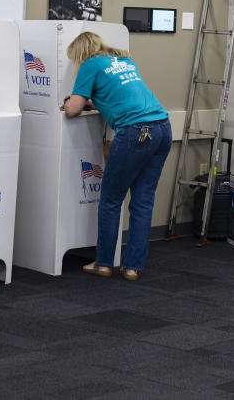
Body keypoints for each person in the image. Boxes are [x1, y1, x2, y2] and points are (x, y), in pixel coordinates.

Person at [63, 32, 172, 281]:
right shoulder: (123, 60)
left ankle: (103, 264)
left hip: (135, 132)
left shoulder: (90, 64)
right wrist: (97, 102)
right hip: (163, 128)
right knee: (142, 203)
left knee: (111, 201)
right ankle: (132, 268)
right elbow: (122, 95)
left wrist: (74, 101)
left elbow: (72, 110)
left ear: (80, 54)